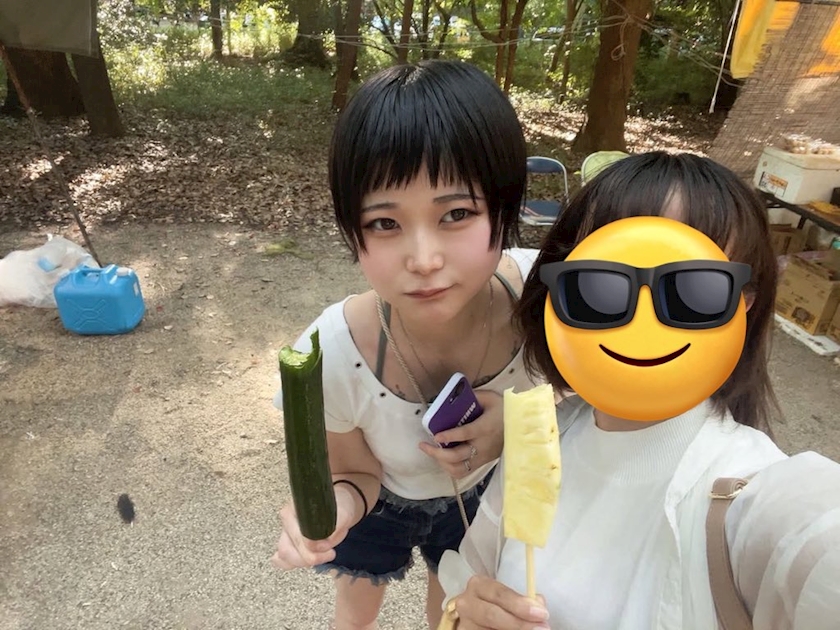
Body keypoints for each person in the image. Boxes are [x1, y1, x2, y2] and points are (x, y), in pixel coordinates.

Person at [437, 151, 840, 629]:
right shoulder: (541, 441)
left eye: (695, 291)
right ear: (557, 296)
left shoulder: (753, 500)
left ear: (744, 306)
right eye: (599, 287)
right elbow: (465, 587)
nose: (642, 322)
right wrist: (463, 618)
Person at [270, 59, 545, 630]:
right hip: (380, 506)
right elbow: (355, 473)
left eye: (457, 213)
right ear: (353, 231)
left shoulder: (547, 303)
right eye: (385, 223)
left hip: (479, 495)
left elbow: (595, 405)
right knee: (356, 608)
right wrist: (332, 509)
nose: (423, 259)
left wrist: (514, 426)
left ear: (505, 206)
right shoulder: (333, 353)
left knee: (451, 604)